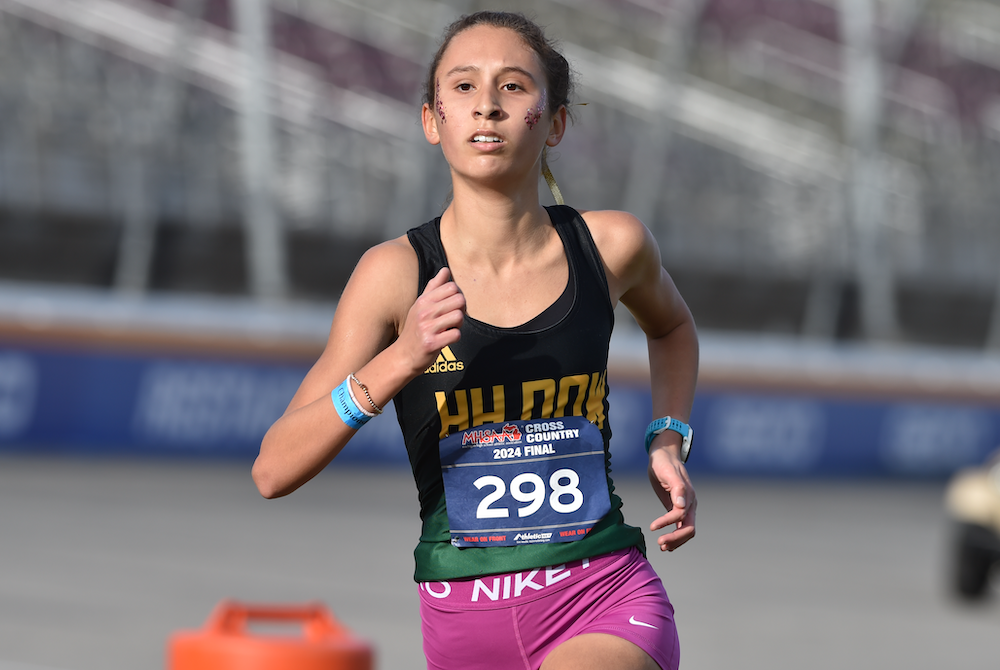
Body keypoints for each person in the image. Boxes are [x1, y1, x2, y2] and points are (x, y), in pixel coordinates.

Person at [252, 10, 699, 670]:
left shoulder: (609, 246)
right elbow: (273, 469)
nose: (486, 105)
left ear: (554, 124)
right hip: (463, 621)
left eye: (513, 87)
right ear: (432, 121)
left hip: (600, 593)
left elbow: (673, 327)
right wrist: (400, 359)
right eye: (462, 87)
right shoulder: (394, 274)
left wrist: (668, 437)